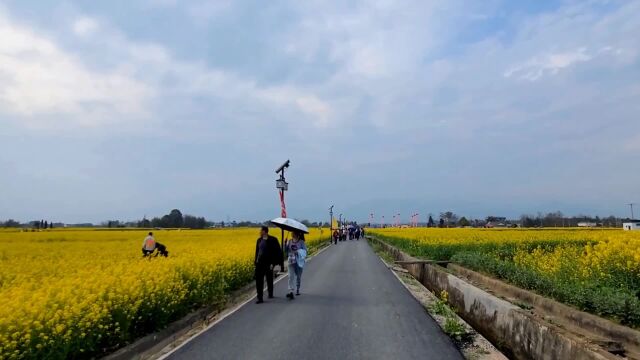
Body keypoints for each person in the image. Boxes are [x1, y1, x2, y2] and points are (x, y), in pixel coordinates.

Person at [254, 226, 283, 304]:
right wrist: (255, 262)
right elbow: (257, 252)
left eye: (261, 231)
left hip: (269, 263)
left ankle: (270, 293)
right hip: (259, 263)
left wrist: (274, 263)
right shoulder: (259, 240)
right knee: (259, 281)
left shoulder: (273, 240)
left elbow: (277, 252)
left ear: (265, 231)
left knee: (269, 279)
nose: (260, 232)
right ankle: (260, 298)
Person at [285, 231, 307, 299]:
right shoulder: (289, 241)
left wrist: (298, 252)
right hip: (291, 260)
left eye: (293, 233)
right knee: (290, 276)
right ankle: (291, 291)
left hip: (298, 261)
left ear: (297, 234)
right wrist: (285, 244)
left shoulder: (301, 242)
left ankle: (297, 288)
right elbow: (286, 250)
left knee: (298, 276)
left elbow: (305, 251)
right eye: (292, 233)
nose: (292, 234)